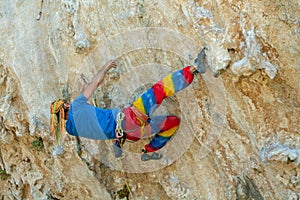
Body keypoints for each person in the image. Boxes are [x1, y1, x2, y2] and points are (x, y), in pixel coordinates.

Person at [50, 48, 208, 161]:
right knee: (159, 90)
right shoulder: (76, 106)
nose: (68, 103)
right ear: (65, 107)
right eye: (66, 103)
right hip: (129, 119)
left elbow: (95, 125)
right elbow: (95, 82)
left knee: (171, 123)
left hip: (130, 134)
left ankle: (147, 151)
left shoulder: (72, 130)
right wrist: (105, 67)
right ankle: (194, 69)